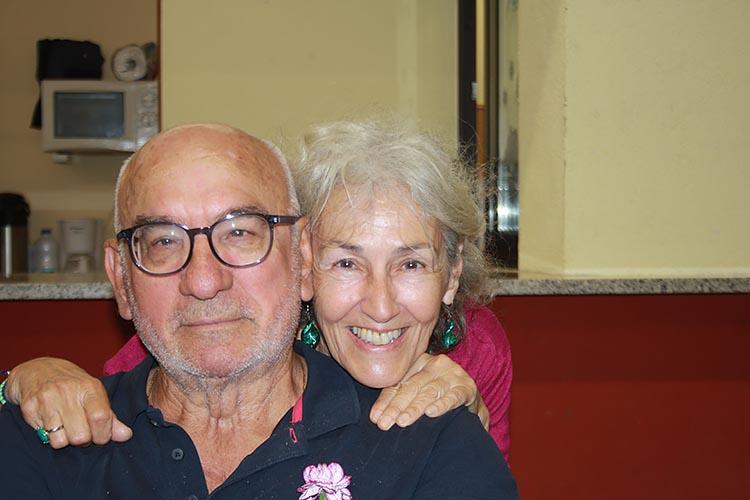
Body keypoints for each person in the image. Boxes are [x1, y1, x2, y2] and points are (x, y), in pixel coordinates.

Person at [0, 122, 518, 499]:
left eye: (240, 233)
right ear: (120, 278)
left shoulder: (437, 436)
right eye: (163, 241)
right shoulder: (47, 437)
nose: (204, 281)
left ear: (300, 256)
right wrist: (19, 382)